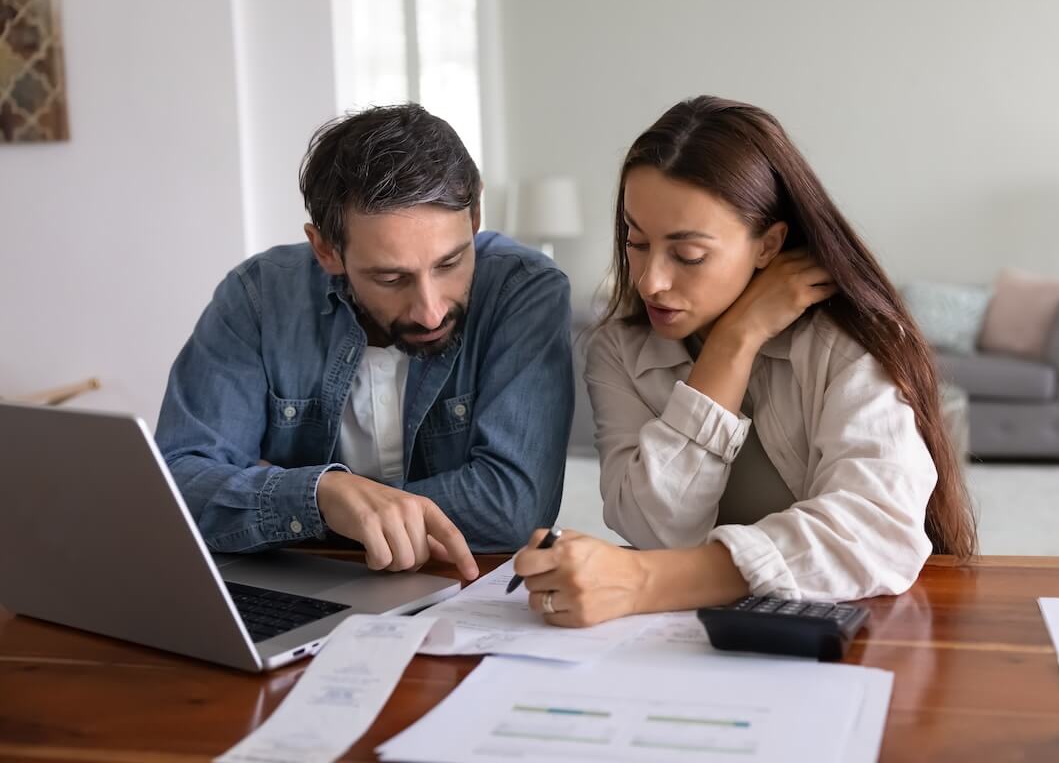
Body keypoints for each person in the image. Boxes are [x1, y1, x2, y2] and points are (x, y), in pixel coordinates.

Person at [513, 96, 976, 626]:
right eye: (636, 242)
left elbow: (876, 530)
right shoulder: (618, 350)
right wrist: (734, 342)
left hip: (848, 636)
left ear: (769, 244)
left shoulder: (847, 342)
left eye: (688, 255)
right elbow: (653, 527)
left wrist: (643, 581)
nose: (650, 282)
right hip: (692, 640)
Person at [156, 104, 574, 580]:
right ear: (326, 250)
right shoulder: (258, 297)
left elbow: (511, 507)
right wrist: (324, 495)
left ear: (475, 215)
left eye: (449, 263)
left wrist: (294, 499)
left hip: (463, 592)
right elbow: (175, 484)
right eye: (391, 277)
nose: (431, 309)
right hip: (304, 587)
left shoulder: (523, 289)